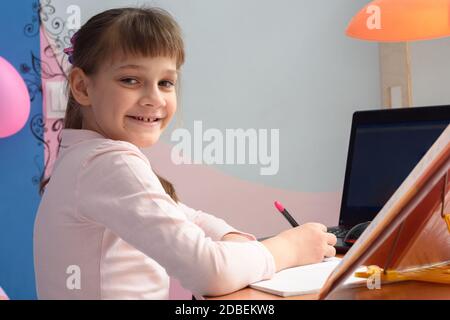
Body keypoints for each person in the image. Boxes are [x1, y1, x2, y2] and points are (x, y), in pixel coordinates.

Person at [34, 7, 337, 299]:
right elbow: (209, 272)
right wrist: (288, 249)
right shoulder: (108, 163)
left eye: (166, 83)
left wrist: (230, 238)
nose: (154, 98)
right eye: (130, 80)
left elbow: (184, 215)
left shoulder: (83, 157)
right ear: (82, 87)